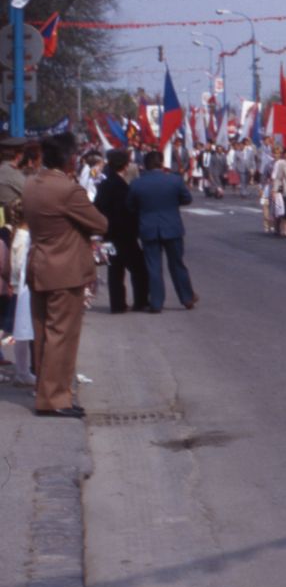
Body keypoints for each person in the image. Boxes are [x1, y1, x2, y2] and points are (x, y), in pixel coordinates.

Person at [22, 136, 107, 418]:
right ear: (70, 159)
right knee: (62, 336)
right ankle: (55, 398)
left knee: (43, 334)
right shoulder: (68, 190)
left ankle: (45, 391)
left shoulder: (31, 184)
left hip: (39, 264)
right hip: (65, 270)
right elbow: (100, 223)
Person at [130, 149, 197, 313]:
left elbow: (130, 206)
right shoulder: (174, 180)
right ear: (161, 163)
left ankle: (156, 302)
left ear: (145, 165)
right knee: (177, 264)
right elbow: (187, 199)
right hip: (171, 226)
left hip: (148, 227)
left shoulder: (137, 183)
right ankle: (187, 298)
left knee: (153, 266)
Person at [92, 149, 149, 314]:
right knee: (139, 268)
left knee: (115, 270)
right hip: (125, 233)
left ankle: (117, 304)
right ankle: (141, 301)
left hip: (109, 233)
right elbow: (129, 210)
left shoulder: (104, 185)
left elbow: (97, 207)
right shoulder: (123, 186)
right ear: (125, 165)